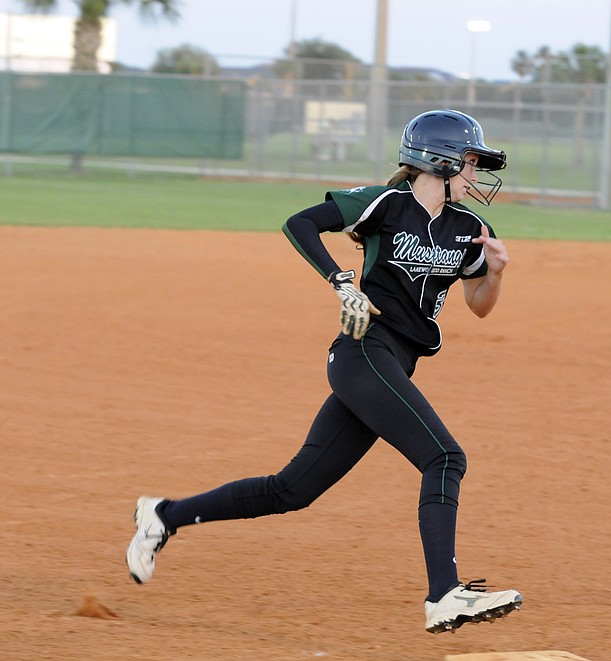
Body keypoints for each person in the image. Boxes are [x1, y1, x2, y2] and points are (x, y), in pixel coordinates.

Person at [125, 109, 522, 634]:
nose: (476, 174)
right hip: (363, 354)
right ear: (440, 160)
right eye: (470, 162)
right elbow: (300, 222)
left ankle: (163, 515)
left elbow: (479, 304)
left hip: (394, 366)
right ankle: (443, 595)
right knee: (445, 457)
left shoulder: (471, 227)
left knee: (291, 489)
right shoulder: (385, 204)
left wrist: (494, 274)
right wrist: (341, 281)